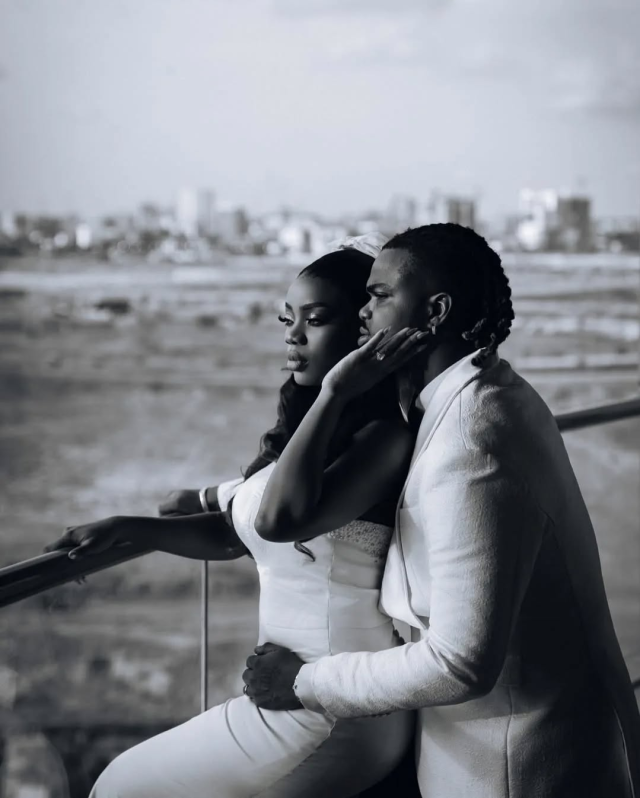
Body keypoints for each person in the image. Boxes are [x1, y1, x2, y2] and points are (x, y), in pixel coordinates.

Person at [242, 223, 640, 798]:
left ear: (435, 312)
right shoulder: (486, 391)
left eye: (379, 296)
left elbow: (459, 662)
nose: (362, 313)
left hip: (517, 766)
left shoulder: (469, 442)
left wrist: (305, 681)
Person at [45, 237, 423, 798]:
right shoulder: (310, 433)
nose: (293, 336)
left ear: (364, 330)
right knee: (123, 782)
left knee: (121, 787)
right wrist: (131, 528)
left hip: (338, 704)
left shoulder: (382, 439)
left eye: (316, 319)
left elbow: (280, 521)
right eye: (287, 319)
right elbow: (236, 533)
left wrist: (336, 392)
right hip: (285, 692)